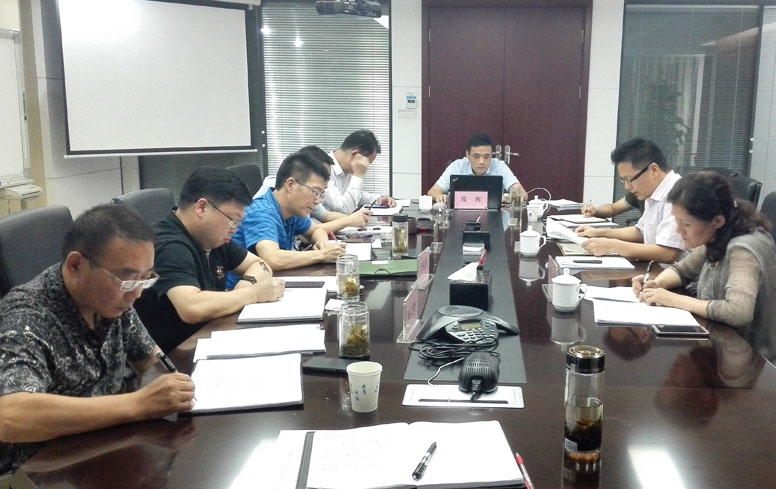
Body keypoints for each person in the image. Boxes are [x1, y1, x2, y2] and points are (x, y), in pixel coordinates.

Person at [0, 204, 195, 475]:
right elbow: (10, 416)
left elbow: (152, 360)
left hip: (104, 447)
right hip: (38, 471)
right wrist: (138, 404)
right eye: (128, 280)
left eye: (145, 278)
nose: (137, 293)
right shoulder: (27, 316)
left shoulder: (113, 301)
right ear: (76, 265)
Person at [134, 167, 284, 353]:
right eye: (233, 221)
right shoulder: (169, 245)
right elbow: (191, 307)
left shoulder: (213, 238)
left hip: (209, 338)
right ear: (202, 207)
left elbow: (259, 264)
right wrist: (254, 294)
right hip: (178, 355)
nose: (235, 229)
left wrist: (246, 285)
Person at [632, 171, 776, 362]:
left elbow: (737, 312)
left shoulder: (743, 249)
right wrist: (655, 284)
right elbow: (683, 270)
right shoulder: (720, 232)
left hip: (749, 359)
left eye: (686, 224)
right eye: (676, 221)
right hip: (719, 345)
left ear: (717, 221)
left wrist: (672, 299)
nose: (678, 230)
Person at [232, 150, 346, 274]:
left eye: (321, 194)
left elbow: (316, 230)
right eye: (315, 192)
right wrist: (322, 254)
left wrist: (322, 243)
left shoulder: (291, 209)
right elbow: (272, 258)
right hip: (245, 284)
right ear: (290, 185)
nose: (317, 201)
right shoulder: (261, 212)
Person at [576, 137, 685, 262]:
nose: (627, 187)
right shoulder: (654, 193)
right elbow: (640, 232)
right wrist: (599, 233)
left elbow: (668, 253)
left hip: (673, 273)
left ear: (653, 170)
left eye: (629, 179)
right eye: (623, 180)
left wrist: (612, 245)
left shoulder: (678, 194)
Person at [253, 145, 372, 234]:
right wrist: (348, 221)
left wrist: (353, 218)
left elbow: (323, 217)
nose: (325, 183)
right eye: (322, 175)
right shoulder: (284, 195)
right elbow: (274, 255)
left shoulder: (307, 194)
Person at [427, 133, 525, 204]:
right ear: (467, 154)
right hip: (460, 215)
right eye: (476, 156)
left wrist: (506, 197)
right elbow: (433, 191)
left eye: (486, 156)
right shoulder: (457, 166)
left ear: (492, 155)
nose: (481, 161)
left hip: (494, 216)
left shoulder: (500, 166)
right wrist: (440, 196)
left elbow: (523, 194)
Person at [322, 130, 396, 213]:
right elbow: (345, 208)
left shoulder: (346, 168)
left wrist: (378, 198)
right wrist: (358, 174)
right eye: (367, 163)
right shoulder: (322, 168)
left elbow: (356, 196)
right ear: (355, 155)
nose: (366, 167)